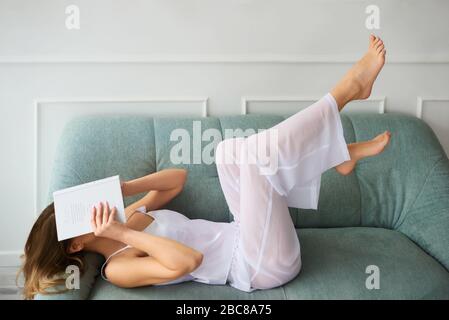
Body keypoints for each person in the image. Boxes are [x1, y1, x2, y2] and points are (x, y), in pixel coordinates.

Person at [20, 35, 390, 298]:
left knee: (229, 151)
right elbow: (189, 260)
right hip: (259, 267)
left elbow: (175, 181)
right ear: (76, 245)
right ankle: (347, 91)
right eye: (77, 214)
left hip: (247, 232)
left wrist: (127, 188)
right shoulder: (117, 266)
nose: (88, 205)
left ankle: (336, 156)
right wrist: (119, 234)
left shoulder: (128, 213)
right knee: (253, 159)